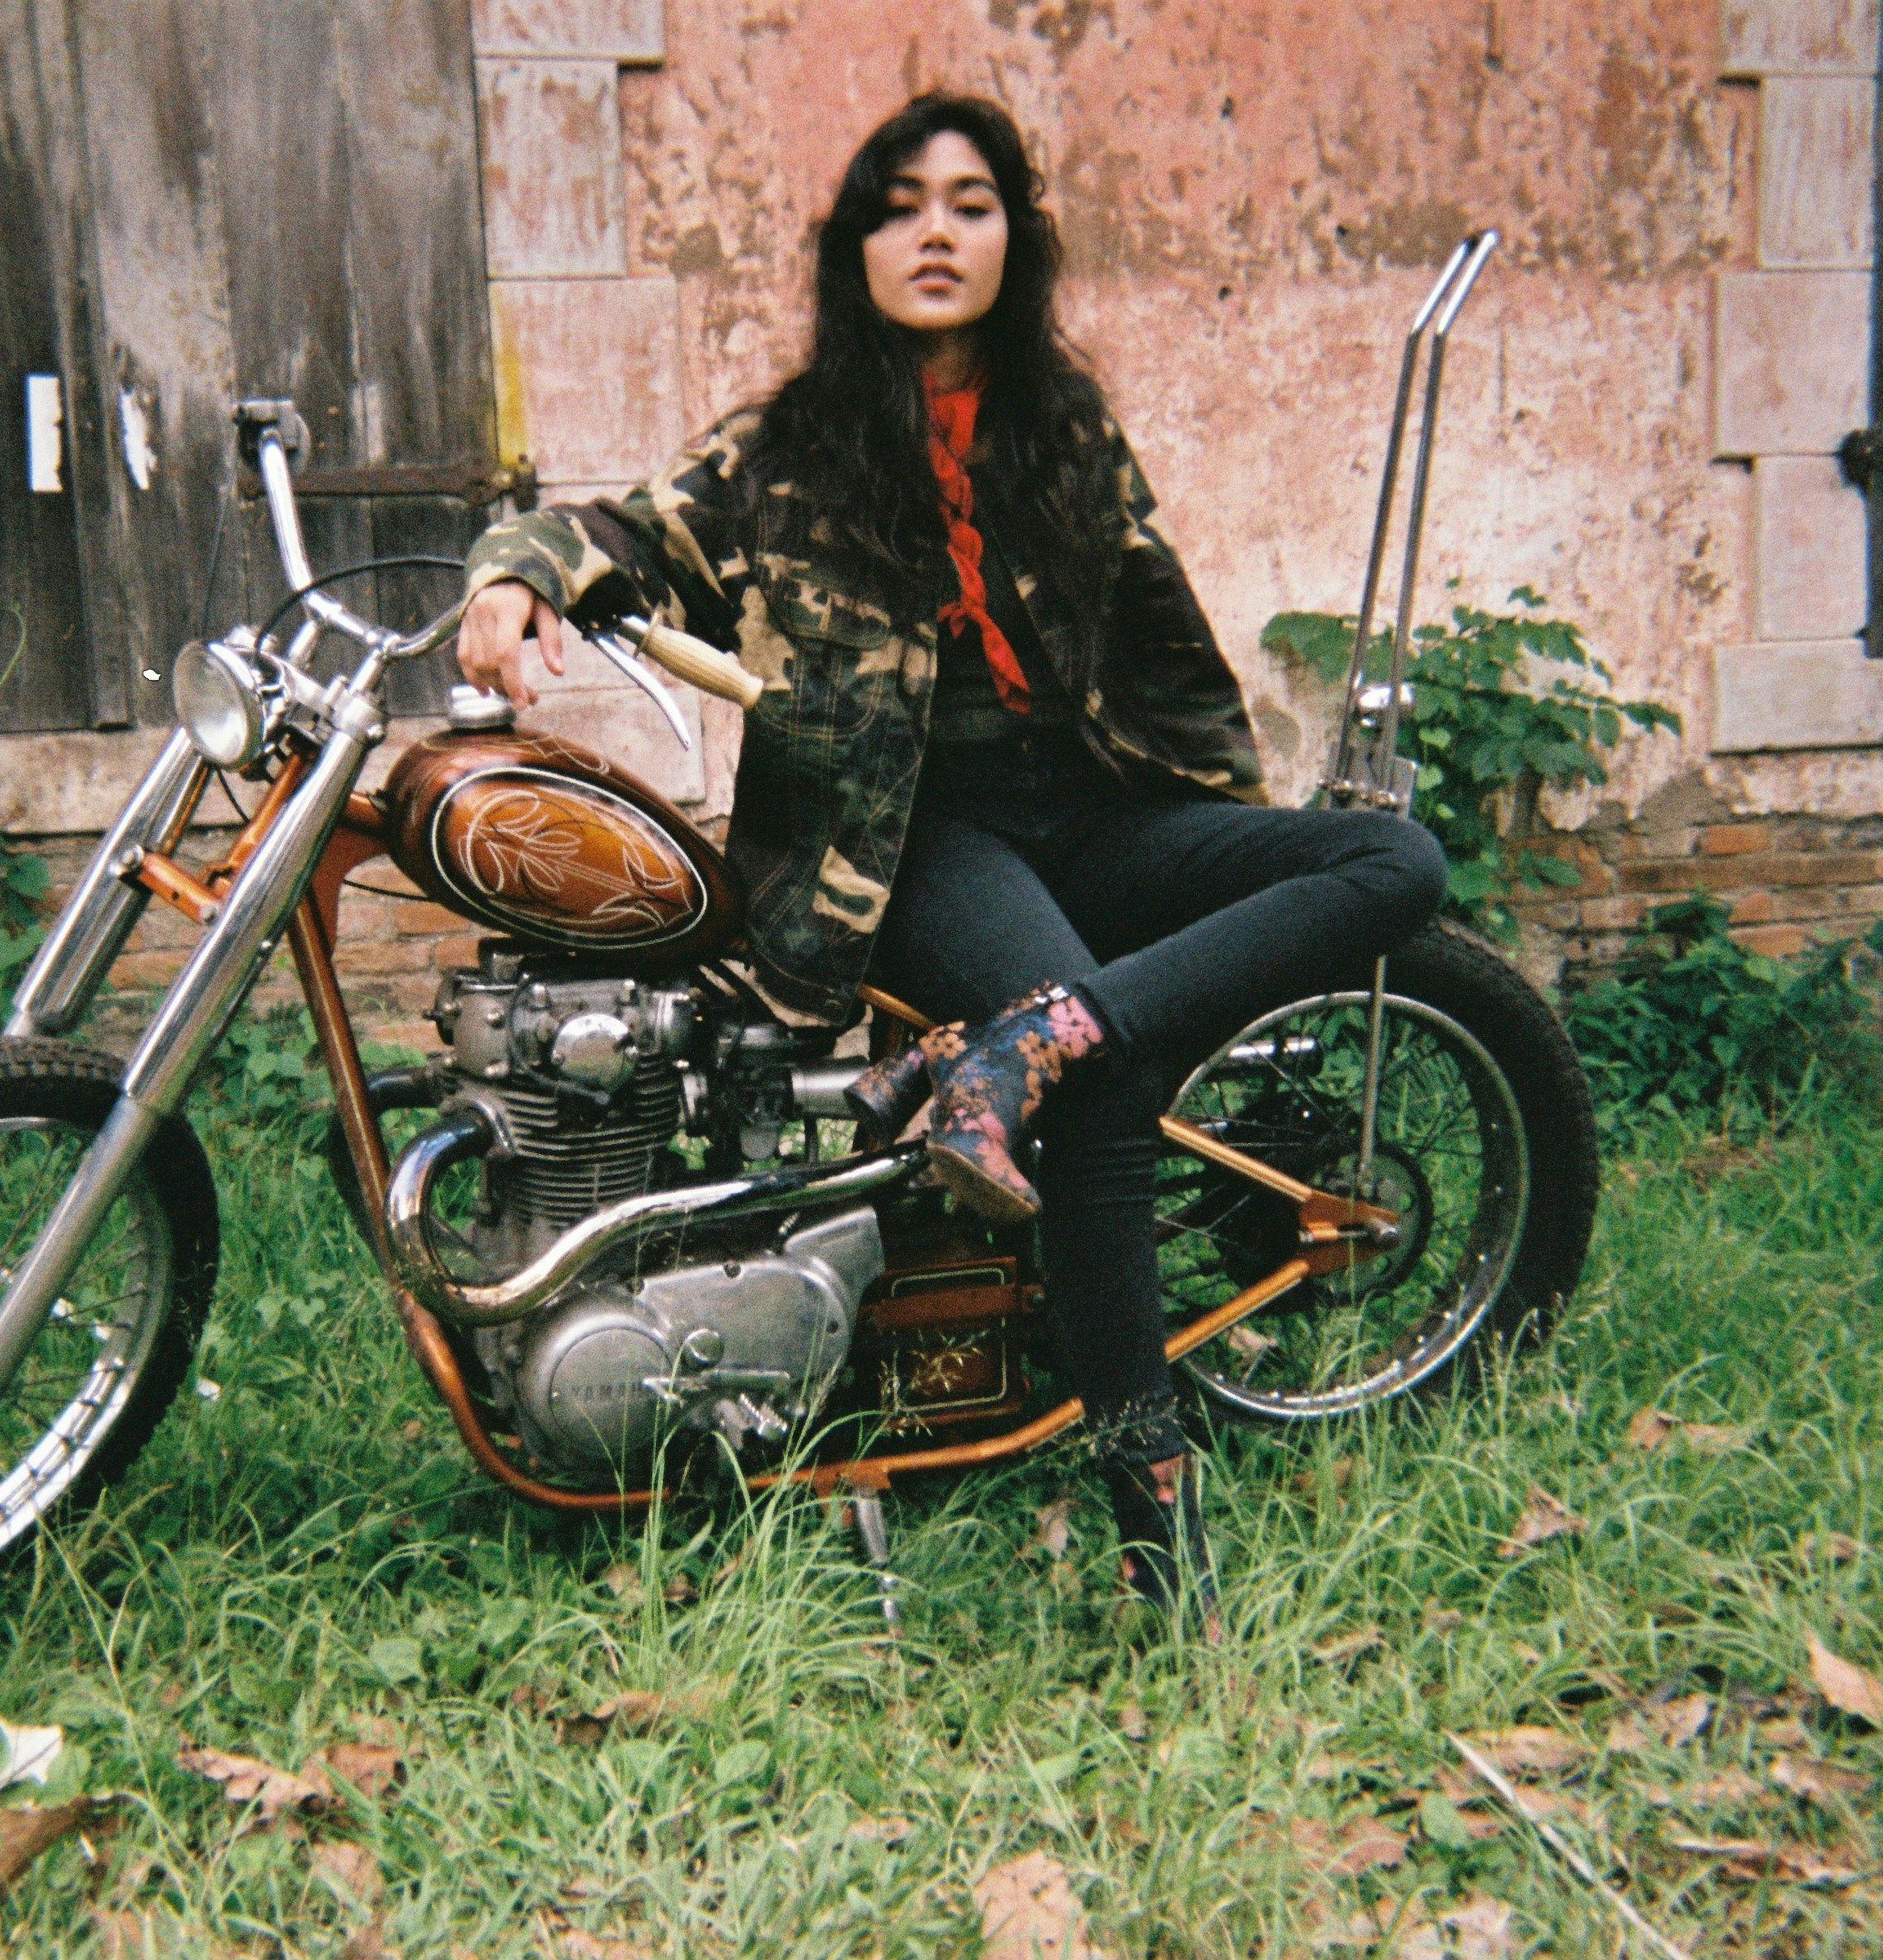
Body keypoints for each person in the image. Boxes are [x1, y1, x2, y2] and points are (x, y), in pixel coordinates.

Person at [454, 93, 1446, 1606]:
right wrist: (517, 576)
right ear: (856, 245)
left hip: (1103, 817)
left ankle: (1026, 1044)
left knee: (1398, 865)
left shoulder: (1064, 432)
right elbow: (618, 531)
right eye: (900, 203)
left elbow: (1168, 653)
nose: (935, 230)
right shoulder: (781, 454)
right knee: (1102, 1088)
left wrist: (1227, 835)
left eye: (971, 203)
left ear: (1013, 240)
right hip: (912, 842)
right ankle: (1148, 1491)